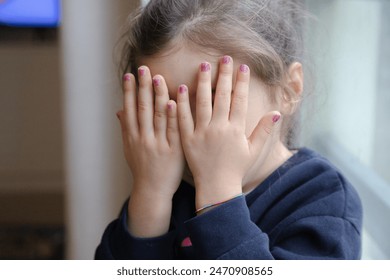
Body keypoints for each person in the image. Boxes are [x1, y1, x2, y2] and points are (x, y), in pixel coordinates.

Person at [95, 0, 362, 260]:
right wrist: (151, 195)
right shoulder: (165, 187)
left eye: (213, 100)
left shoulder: (324, 199)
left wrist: (218, 195)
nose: (188, 130)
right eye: (164, 107)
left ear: (288, 90)